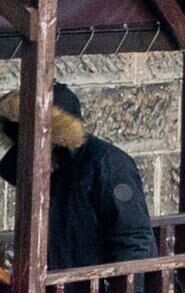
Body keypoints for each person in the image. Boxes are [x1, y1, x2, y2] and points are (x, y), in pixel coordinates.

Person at [0, 81, 159, 269]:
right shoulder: (39, 168)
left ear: (57, 139)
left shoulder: (106, 163)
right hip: (63, 285)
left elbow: (134, 240)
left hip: (96, 288)